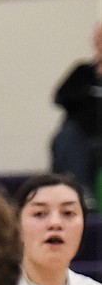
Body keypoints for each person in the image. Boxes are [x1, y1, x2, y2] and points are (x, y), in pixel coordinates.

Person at [50, 23, 102, 207]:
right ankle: (79, 192)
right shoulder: (82, 71)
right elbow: (61, 97)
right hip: (83, 132)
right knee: (67, 138)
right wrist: (88, 94)